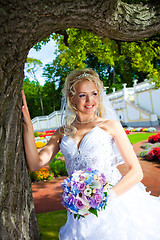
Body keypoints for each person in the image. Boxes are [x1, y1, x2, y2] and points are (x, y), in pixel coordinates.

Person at [22, 68, 160, 240]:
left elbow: (136, 172)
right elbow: (35, 163)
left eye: (94, 93)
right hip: (80, 210)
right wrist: (27, 124)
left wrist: (106, 198)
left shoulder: (110, 126)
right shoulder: (62, 133)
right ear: (71, 98)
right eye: (82, 95)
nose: (90, 100)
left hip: (115, 205)